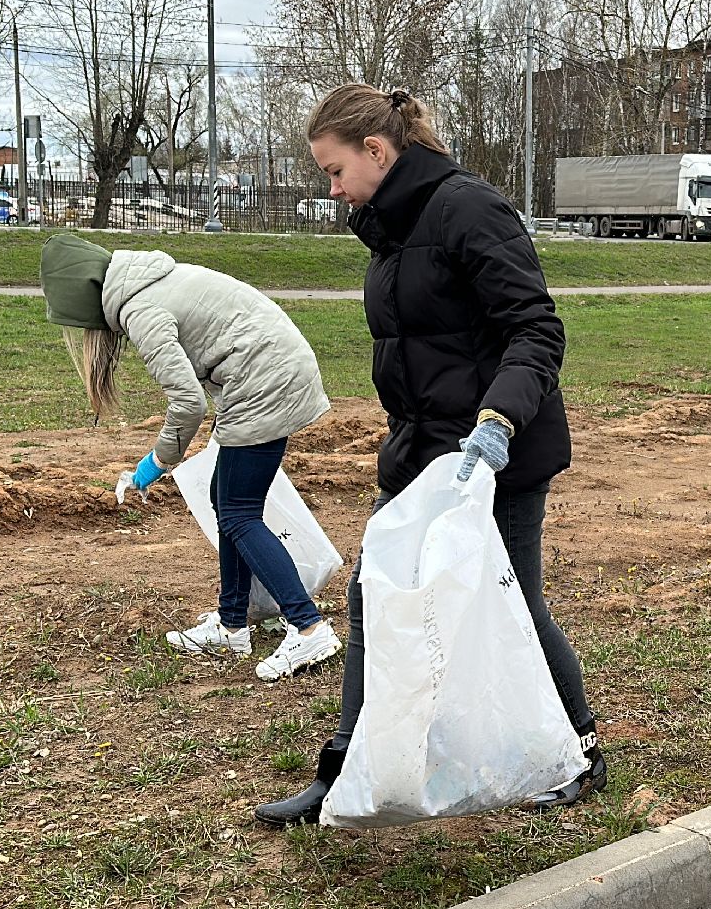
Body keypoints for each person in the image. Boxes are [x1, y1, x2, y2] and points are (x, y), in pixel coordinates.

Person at [254, 84, 603, 827]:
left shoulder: (468, 209)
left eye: (335, 170)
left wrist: (498, 422)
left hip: (494, 453)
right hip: (420, 450)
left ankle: (580, 746)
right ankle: (344, 771)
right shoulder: (390, 227)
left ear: (376, 150)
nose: (332, 188)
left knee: (512, 601)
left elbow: (536, 329)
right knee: (372, 596)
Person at [38, 232, 342, 682]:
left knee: (239, 513)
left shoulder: (141, 310)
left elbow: (187, 404)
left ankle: (308, 626)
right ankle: (232, 624)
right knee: (228, 502)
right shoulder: (150, 281)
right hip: (268, 374)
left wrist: (154, 464)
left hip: (264, 383)